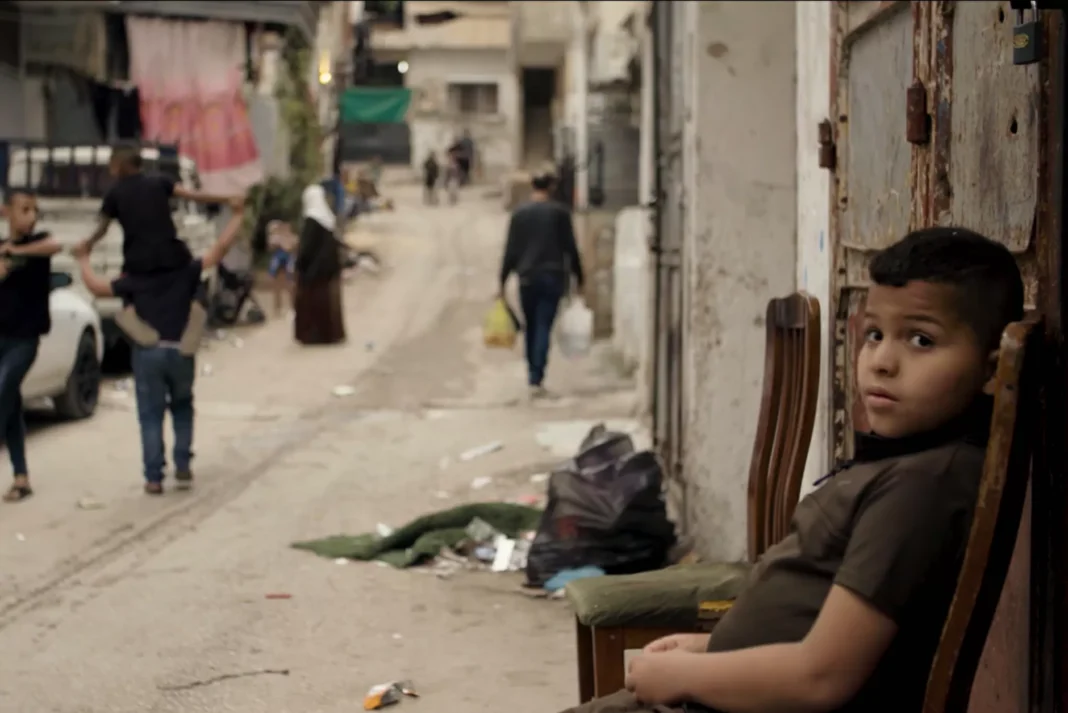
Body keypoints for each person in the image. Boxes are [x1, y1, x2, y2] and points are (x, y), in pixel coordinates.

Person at [563, 227, 1024, 713]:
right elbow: (818, 625)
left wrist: (684, 675)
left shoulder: (923, 488)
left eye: (921, 340)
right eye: (874, 334)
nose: (882, 362)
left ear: (992, 369)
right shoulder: (909, 463)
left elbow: (821, 677)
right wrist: (712, 649)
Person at [73, 197, 246, 495]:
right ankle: (183, 463)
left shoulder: (135, 279)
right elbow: (219, 249)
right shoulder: (186, 270)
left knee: (150, 415)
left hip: (148, 352)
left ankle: (154, 477)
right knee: (182, 407)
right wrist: (238, 215)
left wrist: (83, 259)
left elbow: (96, 287)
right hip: (181, 351)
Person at [74, 143, 240, 343]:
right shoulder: (159, 181)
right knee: (192, 281)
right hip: (172, 256)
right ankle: (190, 320)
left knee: (129, 298)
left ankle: (138, 327)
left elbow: (102, 229)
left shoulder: (114, 194)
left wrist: (87, 247)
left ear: (118, 165)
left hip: (139, 264)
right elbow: (194, 196)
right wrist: (228, 199)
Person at [498, 171, 584, 399]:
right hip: (553, 276)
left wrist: (502, 281)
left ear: (532, 187)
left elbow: (510, 249)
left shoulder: (519, 214)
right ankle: (538, 376)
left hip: (527, 277)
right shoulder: (560, 213)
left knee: (531, 326)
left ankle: (532, 375)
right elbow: (570, 248)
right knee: (544, 324)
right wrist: (579, 277)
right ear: (551, 187)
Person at [0, 190, 62, 503]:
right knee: (10, 406)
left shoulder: (39, 242)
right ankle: (21, 478)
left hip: (24, 340)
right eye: (24, 209)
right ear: (6, 212)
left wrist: (15, 251)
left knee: (2, 390)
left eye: (35, 210)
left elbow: (55, 245)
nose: (31, 216)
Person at [294, 184, 346, 346]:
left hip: (313, 271)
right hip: (328, 271)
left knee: (312, 303)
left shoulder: (311, 221)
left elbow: (307, 248)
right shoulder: (327, 220)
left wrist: (299, 265)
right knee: (328, 303)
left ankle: (313, 336)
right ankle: (330, 335)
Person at [266, 220, 297, 317]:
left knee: (290, 285)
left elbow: (290, 247)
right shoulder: (274, 238)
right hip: (279, 261)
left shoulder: (291, 237)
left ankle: (292, 308)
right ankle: (277, 309)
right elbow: (271, 247)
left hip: (288, 261)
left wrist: (283, 242)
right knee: (277, 286)